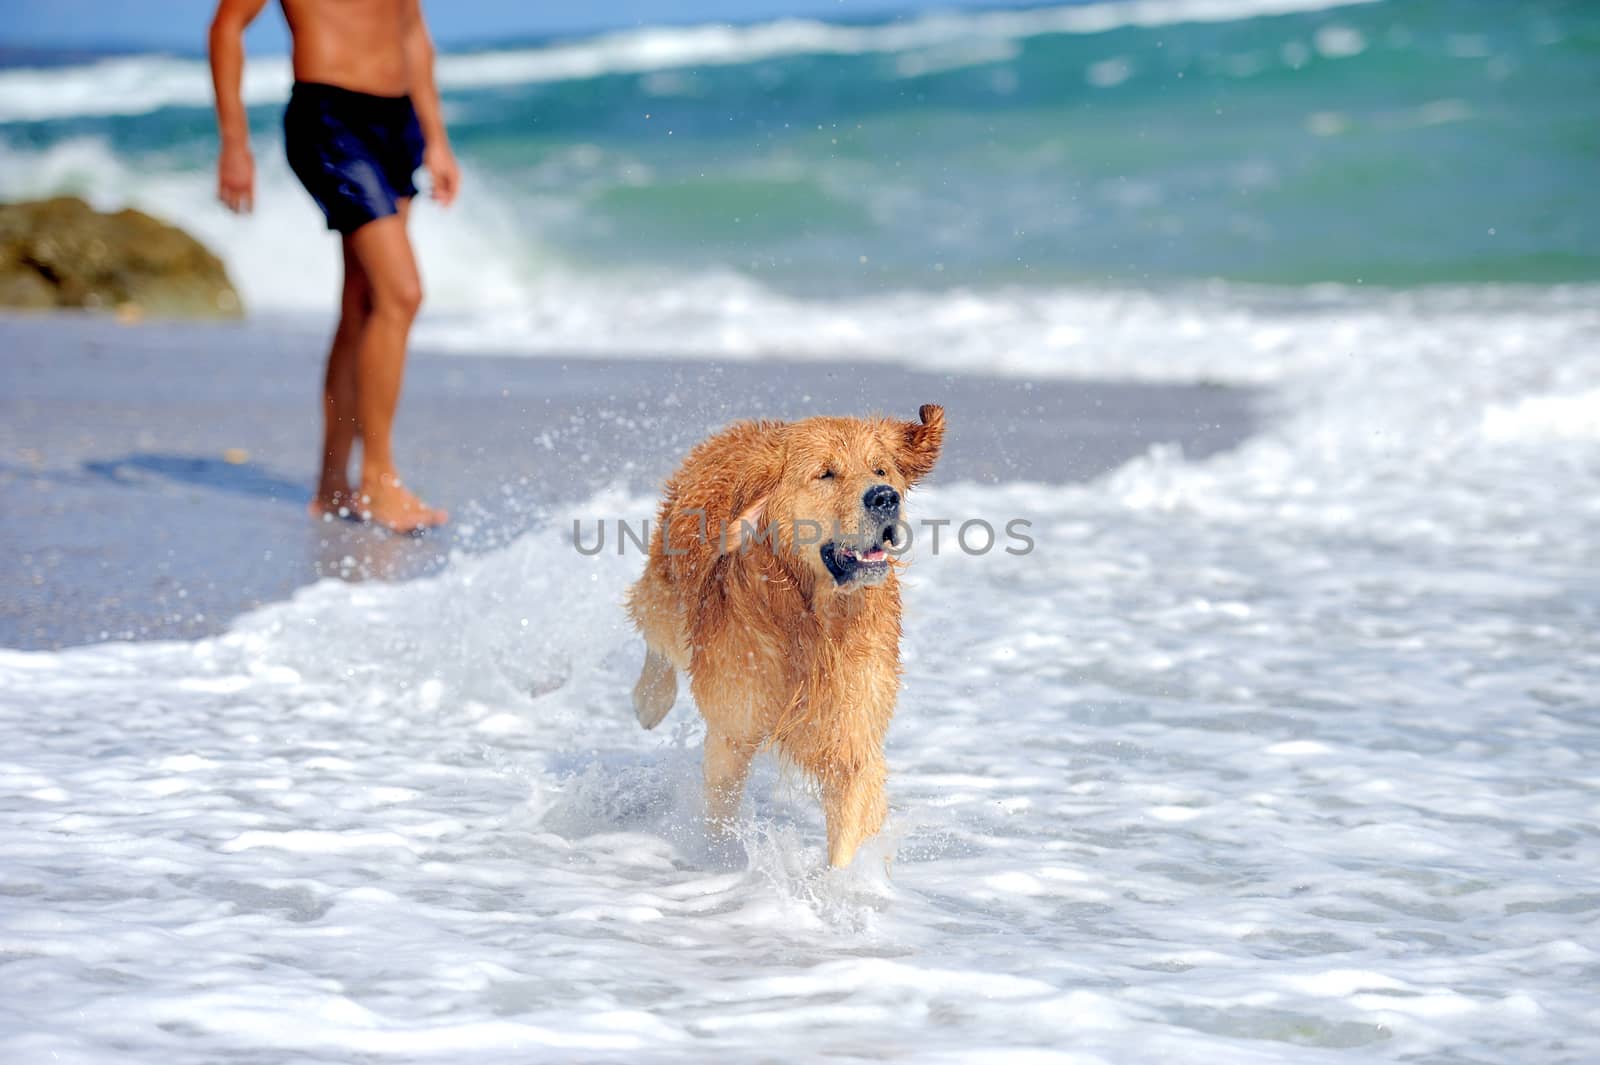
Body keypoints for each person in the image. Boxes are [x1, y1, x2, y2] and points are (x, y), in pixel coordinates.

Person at [209, 0, 460, 532]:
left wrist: (435, 140)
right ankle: (377, 479)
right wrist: (234, 143)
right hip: (330, 119)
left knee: (363, 303)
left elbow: (412, 32)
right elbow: (228, 26)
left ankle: (332, 484)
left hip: (399, 122)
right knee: (402, 294)